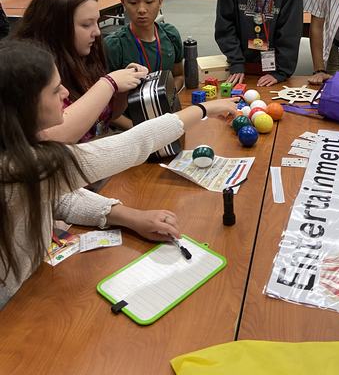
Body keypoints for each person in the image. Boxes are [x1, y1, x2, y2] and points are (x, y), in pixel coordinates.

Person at [0, 39, 238, 307]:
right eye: (55, 91)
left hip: (29, 282)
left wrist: (130, 217)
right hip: (12, 301)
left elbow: (55, 196)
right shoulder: (17, 167)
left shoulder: (18, 151)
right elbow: (133, 144)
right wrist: (205, 109)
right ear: (24, 106)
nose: (66, 94)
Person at [14, 0, 147, 143]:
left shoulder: (85, 54)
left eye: (96, 22)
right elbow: (51, 137)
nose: (97, 32)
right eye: (86, 24)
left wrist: (122, 91)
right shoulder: (30, 68)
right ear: (55, 26)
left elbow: (106, 116)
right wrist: (109, 84)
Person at [105, 0, 183, 89]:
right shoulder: (115, 45)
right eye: (133, 2)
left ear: (160, 1)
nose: (142, 9)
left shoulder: (170, 35)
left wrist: (165, 98)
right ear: (123, 4)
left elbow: (178, 75)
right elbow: (106, 93)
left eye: (149, 1)